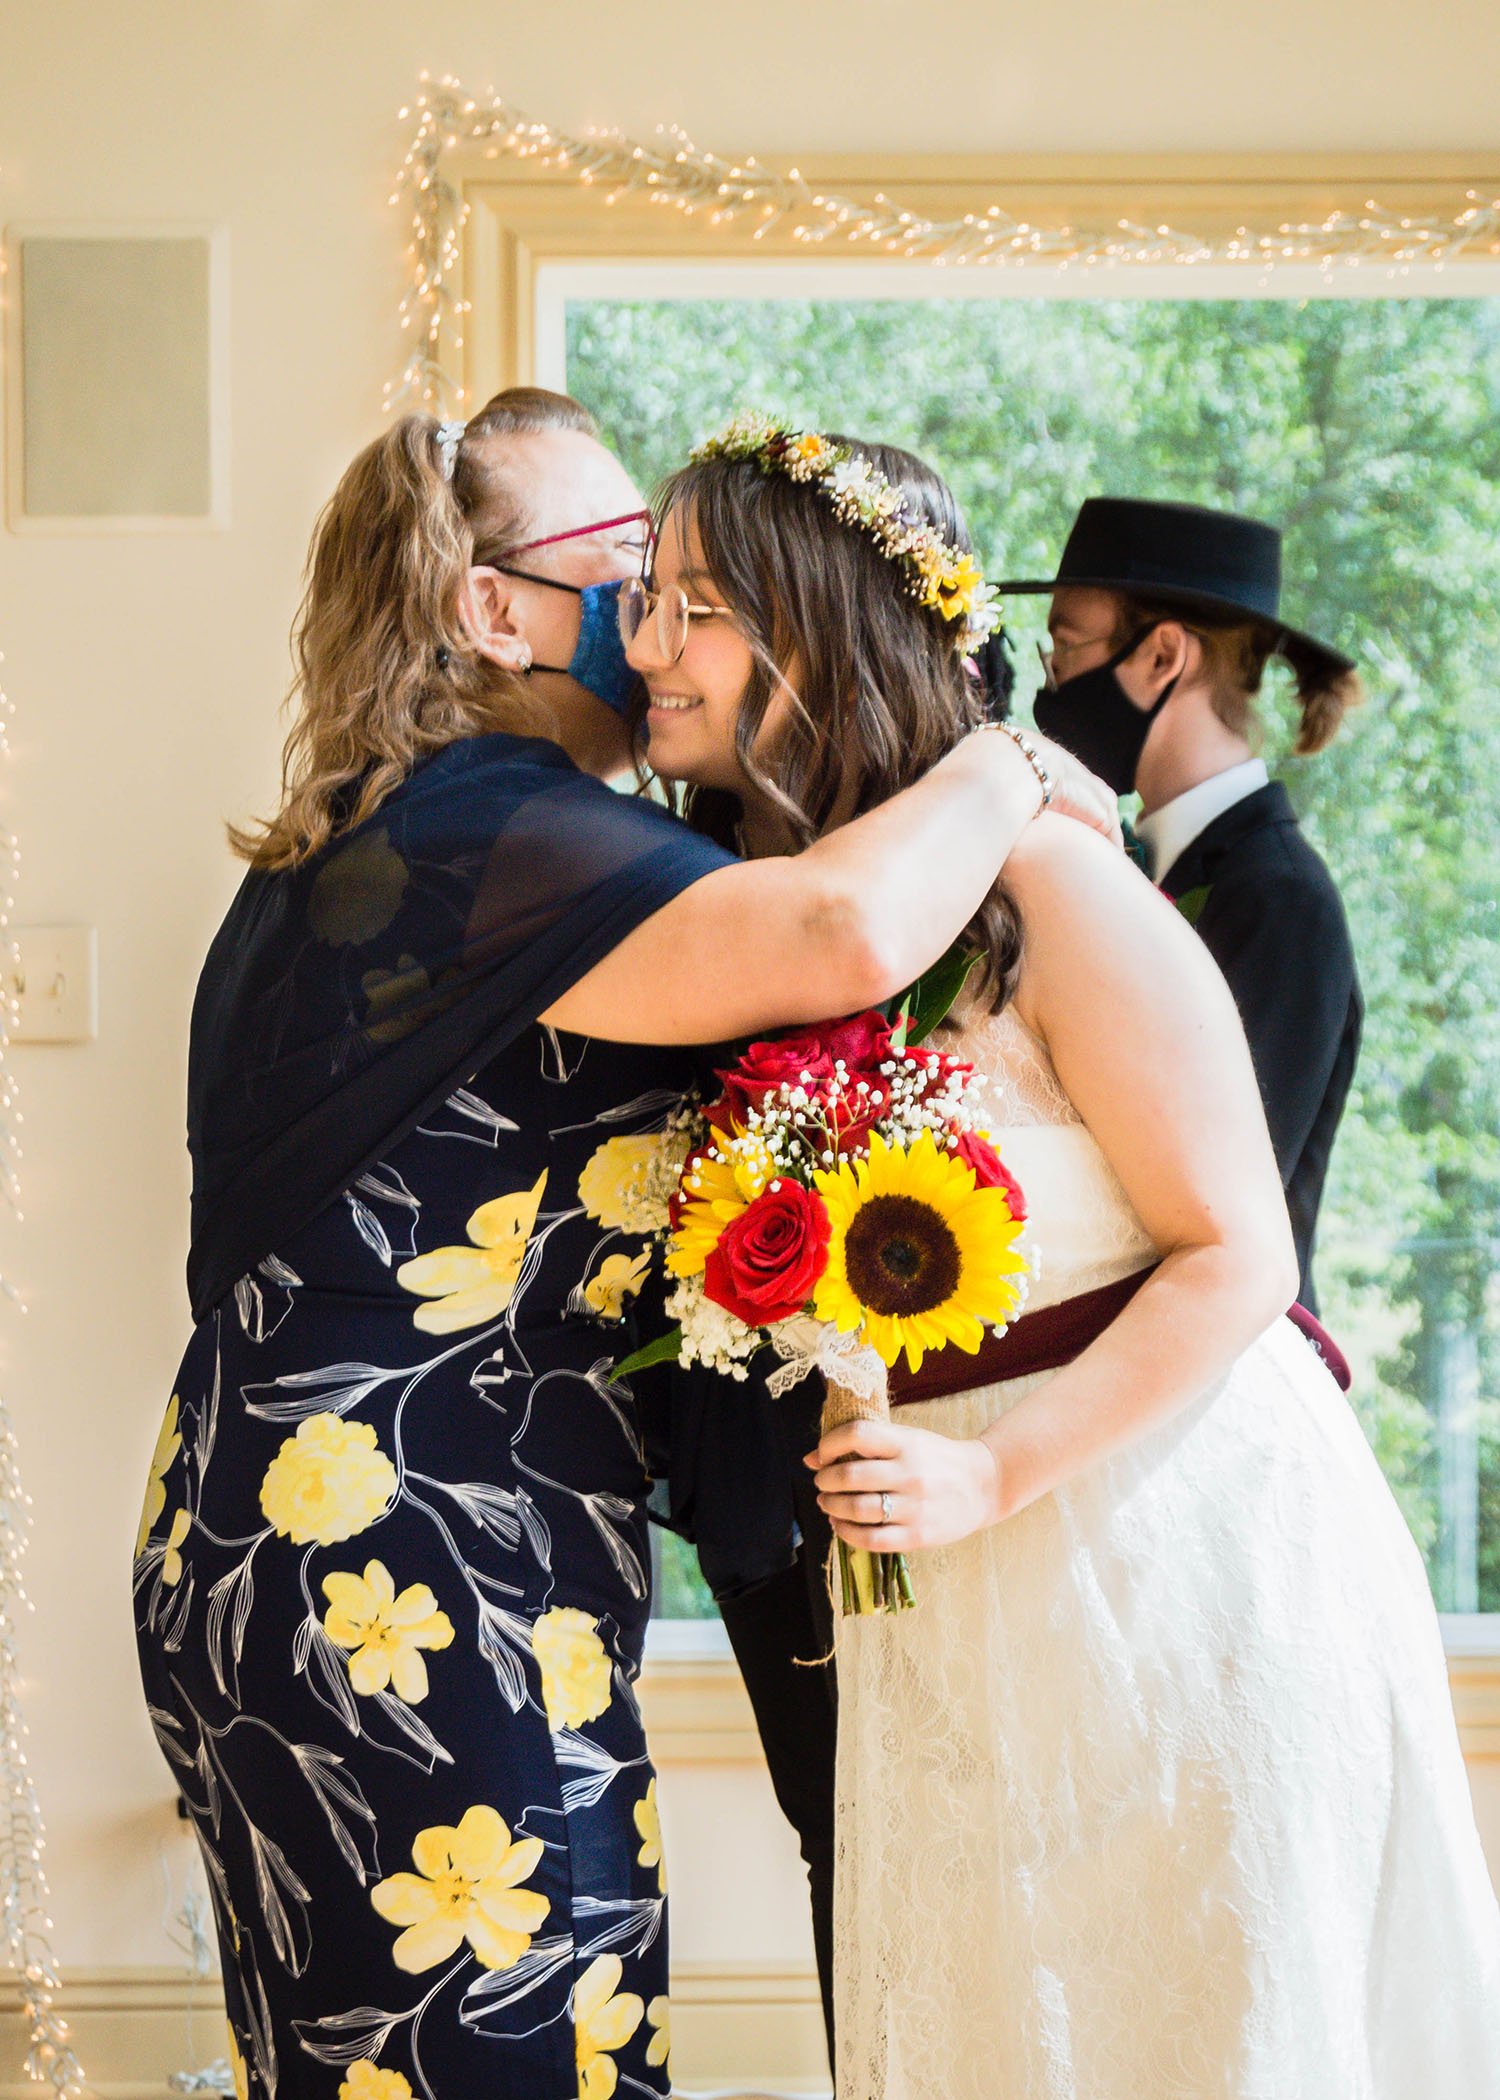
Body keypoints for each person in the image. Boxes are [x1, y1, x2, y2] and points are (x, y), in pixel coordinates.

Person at [133, 387, 1111, 2100]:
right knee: (527, 2052)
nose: (655, 621)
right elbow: (842, 925)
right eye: (624, 571)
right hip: (415, 1570)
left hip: (280, 1542)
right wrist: (1003, 757)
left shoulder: (371, 839)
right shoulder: (491, 834)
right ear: (492, 610)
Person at [627, 417, 1500, 2100]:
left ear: (814, 633)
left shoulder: (1056, 880)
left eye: (696, 605)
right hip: (946, 1593)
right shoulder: (806, 898)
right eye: (648, 601)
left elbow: (1239, 1253)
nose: (649, 647)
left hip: (1161, 1549)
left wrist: (995, 1474)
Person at [1000, 498, 1363, 1307]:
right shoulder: (1119, 862)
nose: (1049, 682)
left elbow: (1217, 1202)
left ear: (1163, 654)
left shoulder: (1279, 899)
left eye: (1064, 645)